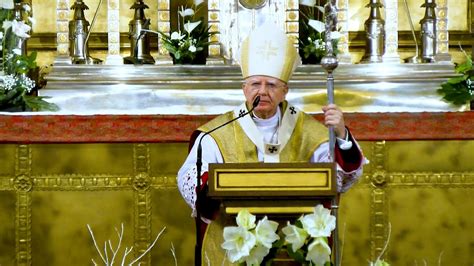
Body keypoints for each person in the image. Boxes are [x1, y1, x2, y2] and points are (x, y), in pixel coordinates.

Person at [177, 22, 366, 247]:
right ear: (244, 89)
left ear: (285, 90)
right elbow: (190, 177)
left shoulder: (308, 129)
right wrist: (209, 187)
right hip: (234, 241)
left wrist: (342, 136)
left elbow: (340, 179)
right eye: (255, 83)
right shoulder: (218, 132)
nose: (263, 91)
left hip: (296, 243)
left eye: (272, 85)